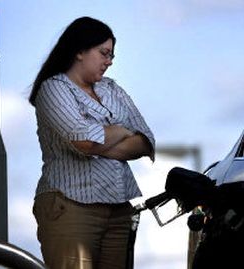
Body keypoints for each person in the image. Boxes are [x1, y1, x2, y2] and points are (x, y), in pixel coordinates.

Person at [29, 16, 155, 269]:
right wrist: (121, 130)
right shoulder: (54, 88)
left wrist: (104, 138)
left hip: (119, 208)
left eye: (111, 56)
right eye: (104, 53)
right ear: (79, 51)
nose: (109, 62)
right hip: (72, 206)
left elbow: (145, 140)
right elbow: (83, 141)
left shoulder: (112, 89)